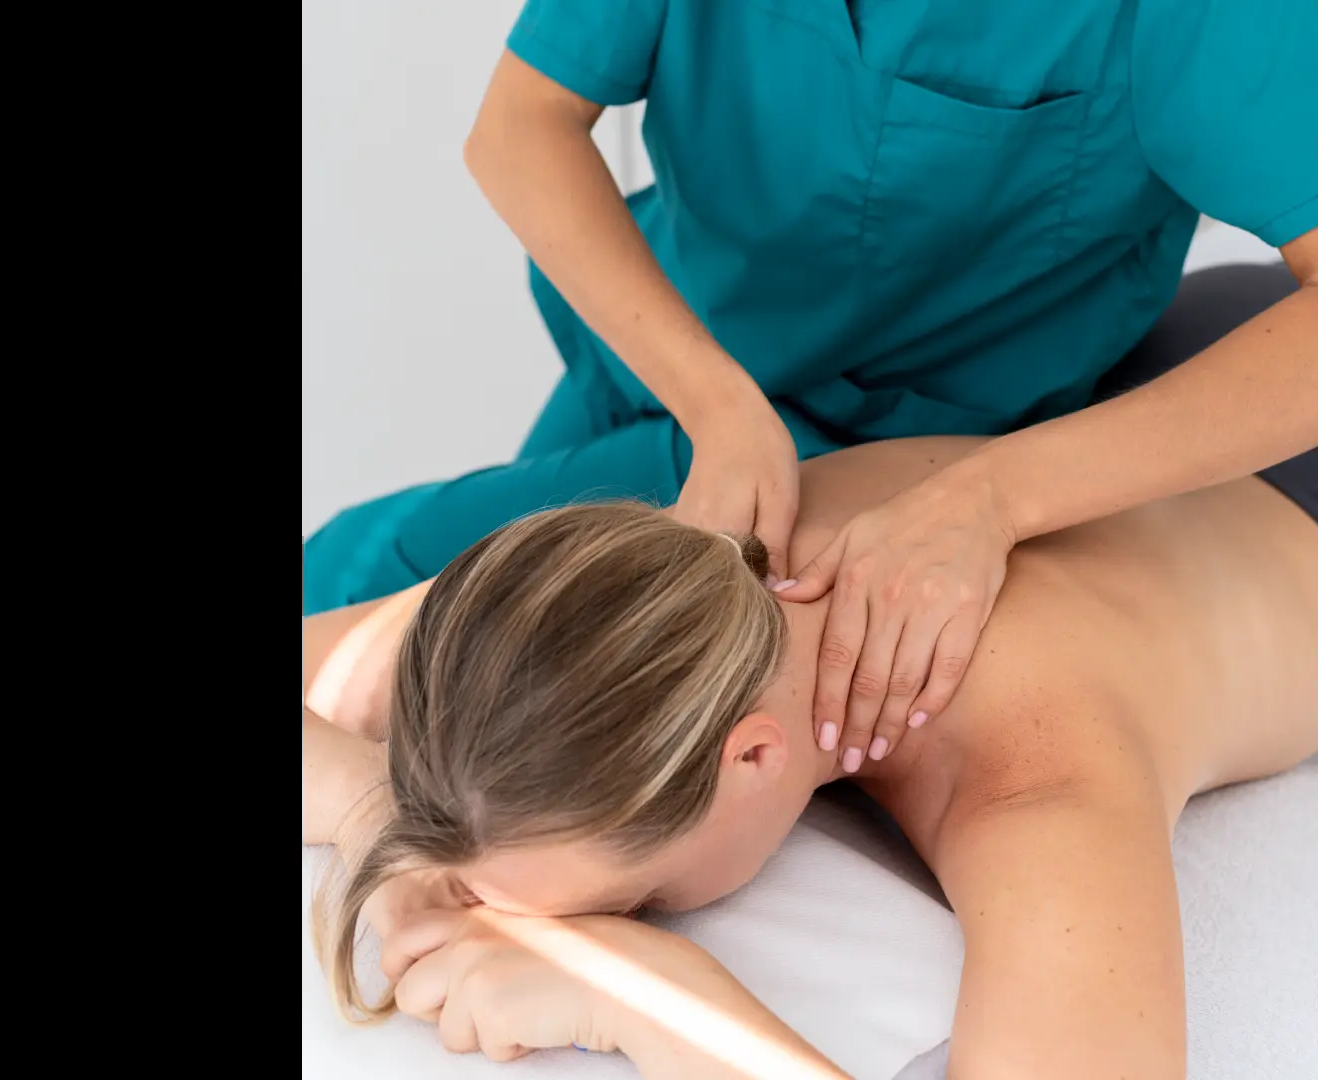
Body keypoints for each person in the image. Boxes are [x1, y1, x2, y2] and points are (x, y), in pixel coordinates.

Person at [302, 0, 1318, 779]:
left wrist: (999, 496)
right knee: (382, 612)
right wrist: (714, 404)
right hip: (663, 358)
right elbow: (521, 126)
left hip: (889, 453)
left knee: (396, 612)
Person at [301, 413, 1318, 1077]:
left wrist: (658, 1004)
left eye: (635, 899)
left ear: (751, 756)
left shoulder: (1036, 776)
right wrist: (379, 814)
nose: (632, 921)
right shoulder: (642, 597)